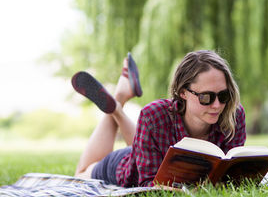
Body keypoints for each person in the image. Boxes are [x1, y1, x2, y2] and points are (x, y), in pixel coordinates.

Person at [72, 50, 246, 187]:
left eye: (223, 95)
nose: (217, 105)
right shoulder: (155, 115)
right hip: (126, 167)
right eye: (206, 97)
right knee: (80, 174)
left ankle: (120, 98)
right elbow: (148, 183)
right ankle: (118, 100)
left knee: (142, 142)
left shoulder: (234, 114)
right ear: (183, 92)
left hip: (147, 151)